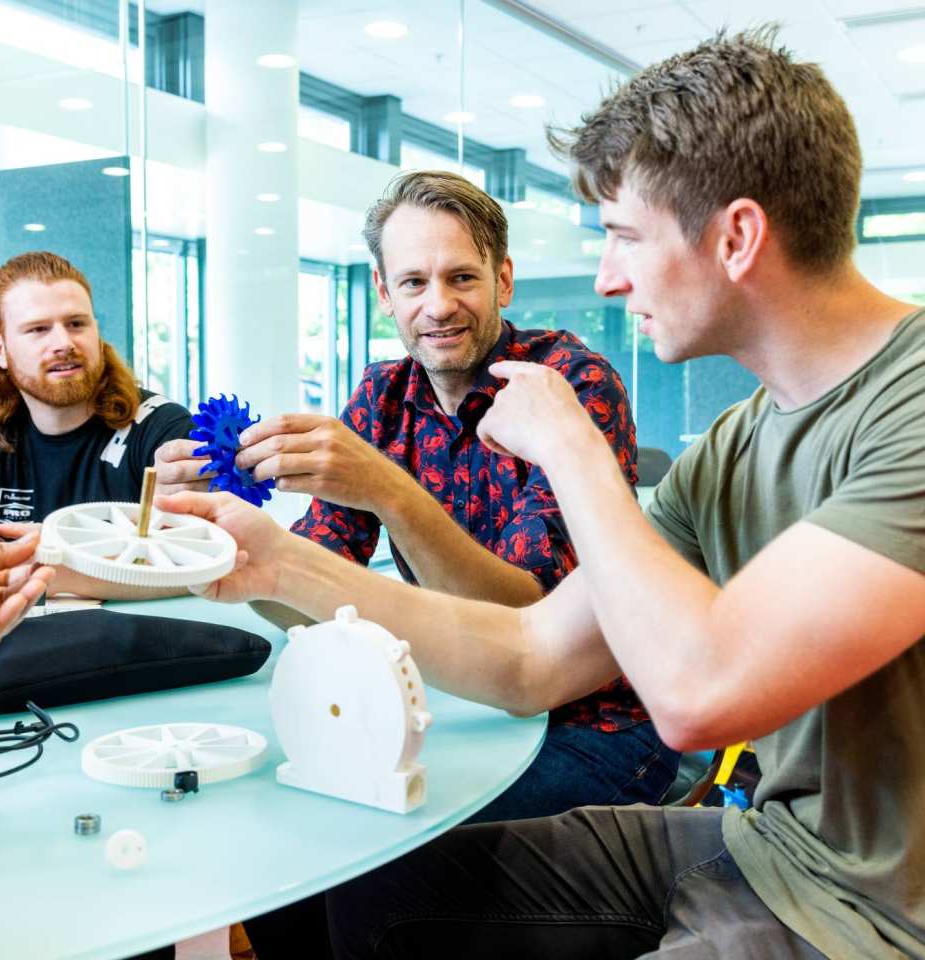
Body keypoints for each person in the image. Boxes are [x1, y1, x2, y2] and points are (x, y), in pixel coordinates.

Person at [159, 27, 925, 959]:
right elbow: (528, 656)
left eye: (625, 237)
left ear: (736, 237)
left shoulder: (908, 408)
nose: (608, 276)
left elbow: (695, 697)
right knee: (364, 889)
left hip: (884, 915)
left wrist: (574, 453)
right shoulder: (733, 445)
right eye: (410, 282)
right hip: (766, 847)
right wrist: (270, 559)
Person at [158, 171, 678, 825]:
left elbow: (533, 631)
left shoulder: (568, 386)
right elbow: (311, 604)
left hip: (597, 725)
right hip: (452, 703)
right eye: (413, 282)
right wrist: (215, 539)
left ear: (503, 280)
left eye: (461, 277)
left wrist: (391, 493)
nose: (437, 306)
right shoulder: (382, 399)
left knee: (391, 853)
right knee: (295, 819)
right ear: (382, 291)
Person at [0, 251, 195, 599]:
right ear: (0, 348)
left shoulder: (160, 428)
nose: (64, 343)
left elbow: (197, 568)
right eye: (38, 329)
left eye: (76, 323)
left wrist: (25, 571)